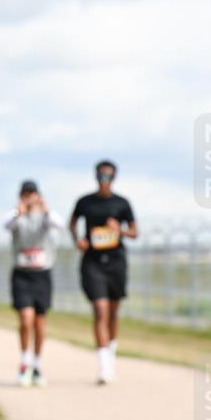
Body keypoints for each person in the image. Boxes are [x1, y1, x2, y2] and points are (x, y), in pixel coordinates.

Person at [69, 160, 137, 384]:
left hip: (116, 262)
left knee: (113, 313)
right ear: (95, 177)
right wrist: (77, 239)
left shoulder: (122, 203)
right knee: (100, 310)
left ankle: (111, 352)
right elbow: (72, 223)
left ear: (114, 178)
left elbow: (135, 232)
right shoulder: (84, 202)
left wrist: (120, 230)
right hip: (92, 262)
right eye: (101, 176)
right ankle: (104, 366)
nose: (104, 180)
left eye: (108, 176)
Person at [6, 180, 64, 387]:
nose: (29, 198)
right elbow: (7, 225)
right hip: (22, 274)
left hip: (42, 274)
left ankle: (37, 365)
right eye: (25, 194)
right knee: (25, 319)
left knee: (40, 323)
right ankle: (24, 363)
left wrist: (45, 209)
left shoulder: (47, 217)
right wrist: (19, 212)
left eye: (32, 194)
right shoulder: (16, 216)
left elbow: (59, 224)